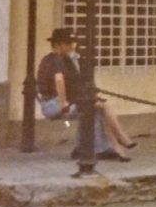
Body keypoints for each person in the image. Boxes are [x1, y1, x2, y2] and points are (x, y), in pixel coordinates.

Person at [37, 28, 135, 161]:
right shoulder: (55, 59)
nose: (72, 46)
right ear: (58, 44)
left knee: (96, 110)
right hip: (53, 103)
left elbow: (75, 83)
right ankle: (117, 140)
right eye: (68, 43)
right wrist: (63, 102)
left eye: (73, 42)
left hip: (60, 101)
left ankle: (89, 148)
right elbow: (59, 80)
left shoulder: (63, 60)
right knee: (94, 108)